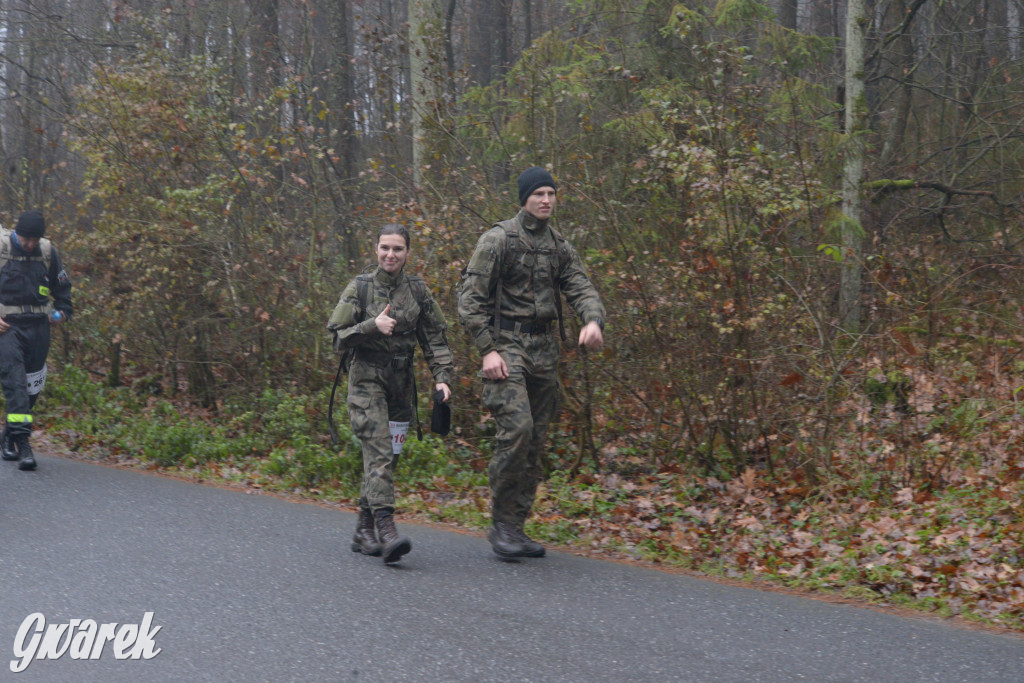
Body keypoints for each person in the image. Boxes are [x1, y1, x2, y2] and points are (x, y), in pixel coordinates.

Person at [458, 167, 606, 559]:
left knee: (536, 439)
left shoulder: (559, 245)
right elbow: (469, 301)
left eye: (551, 193)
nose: (545, 200)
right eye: (538, 193)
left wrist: (592, 320)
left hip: (545, 350)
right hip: (506, 345)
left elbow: (580, 285)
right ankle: (501, 523)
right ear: (523, 198)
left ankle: (516, 526)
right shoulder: (498, 240)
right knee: (518, 428)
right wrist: (487, 350)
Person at [327, 223, 454, 564]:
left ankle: (363, 530)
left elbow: (436, 339)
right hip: (366, 378)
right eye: (385, 247)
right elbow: (337, 337)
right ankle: (386, 529)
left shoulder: (417, 290)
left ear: (407, 253)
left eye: (397, 249)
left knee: (388, 457)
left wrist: (442, 378)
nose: (390, 254)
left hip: (402, 382)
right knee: (380, 450)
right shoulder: (360, 288)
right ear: (375, 249)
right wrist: (371, 326)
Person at [0, 211, 73, 471]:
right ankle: (24, 446)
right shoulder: (3, 249)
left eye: (34, 239)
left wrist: (63, 311)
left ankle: (9, 434)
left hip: (39, 327)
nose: (30, 244)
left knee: (32, 387)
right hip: (7, 329)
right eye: (26, 238)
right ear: (17, 233)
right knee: (16, 384)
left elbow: (61, 287)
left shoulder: (47, 252)